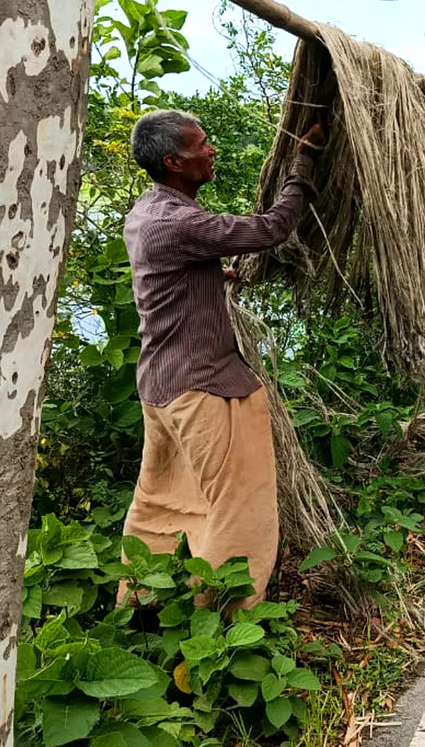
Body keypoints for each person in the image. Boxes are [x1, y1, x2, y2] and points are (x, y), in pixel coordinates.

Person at [119, 109, 324, 608]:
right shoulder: (182, 222)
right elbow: (272, 227)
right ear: (174, 161)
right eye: (201, 145)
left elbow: (169, 272)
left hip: (162, 387)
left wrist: (215, 275)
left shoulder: (148, 212)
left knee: (161, 504)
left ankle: (139, 606)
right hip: (204, 388)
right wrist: (305, 162)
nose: (211, 151)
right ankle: (227, 623)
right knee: (240, 511)